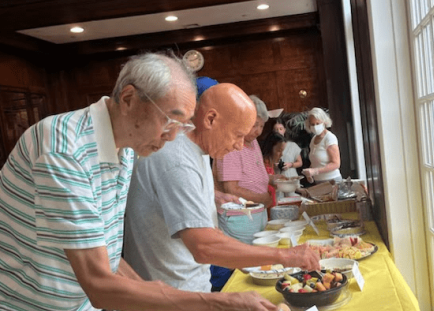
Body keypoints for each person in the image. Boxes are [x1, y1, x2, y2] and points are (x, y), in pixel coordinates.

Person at [0, 52, 276, 311]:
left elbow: (107, 257)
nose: (172, 137)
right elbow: (98, 284)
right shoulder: (64, 148)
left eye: (183, 126)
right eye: (170, 120)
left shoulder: (127, 150)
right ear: (129, 98)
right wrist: (219, 303)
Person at [123, 80, 320, 295]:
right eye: (237, 135)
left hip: (189, 288)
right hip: (170, 293)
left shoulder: (197, 150)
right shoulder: (178, 159)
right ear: (210, 119)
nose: (239, 145)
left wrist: (214, 196)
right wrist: (284, 256)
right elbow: (203, 247)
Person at [214, 95, 282, 244]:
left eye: (262, 126)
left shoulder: (252, 141)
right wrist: (263, 198)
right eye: (254, 125)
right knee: (248, 262)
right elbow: (231, 188)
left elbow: (252, 175)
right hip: (240, 217)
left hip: (257, 213)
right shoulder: (230, 144)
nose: (258, 131)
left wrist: (273, 179)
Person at [302, 107, 343, 183]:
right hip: (318, 181)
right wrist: (309, 173)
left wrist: (315, 171)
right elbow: (316, 162)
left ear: (324, 122)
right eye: (312, 124)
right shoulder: (313, 139)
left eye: (317, 123)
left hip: (332, 180)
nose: (315, 127)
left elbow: (336, 163)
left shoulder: (330, 138)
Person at [261, 132, 287, 208]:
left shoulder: (270, 163)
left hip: (272, 207)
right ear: (270, 148)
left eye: (282, 151)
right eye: (279, 151)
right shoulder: (262, 164)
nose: (281, 154)